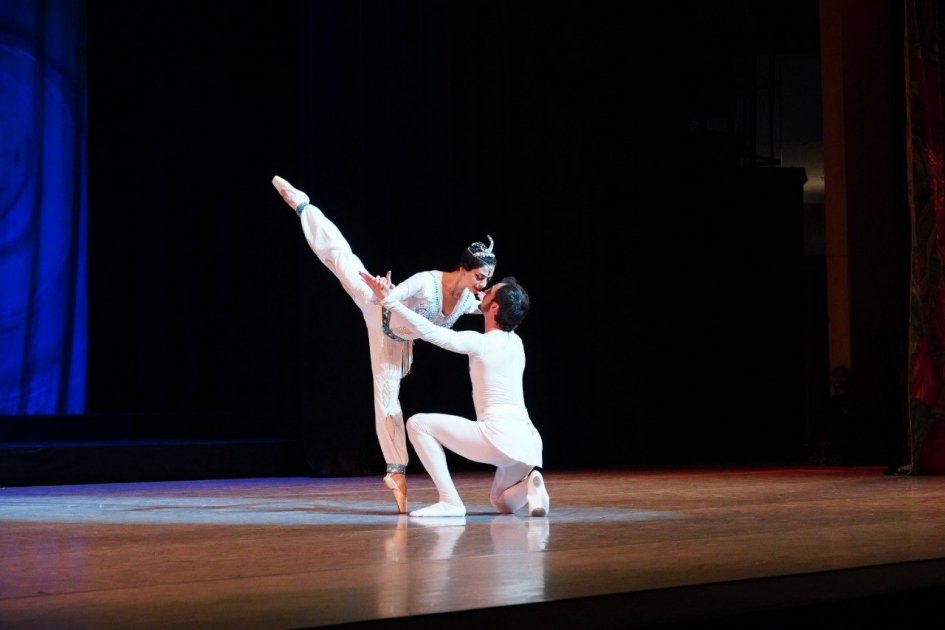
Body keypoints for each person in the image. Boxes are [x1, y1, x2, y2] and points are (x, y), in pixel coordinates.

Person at [271, 175, 496, 514]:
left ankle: (396, 474)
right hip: (380, 315)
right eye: (480, 276)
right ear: (463, 268)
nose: (482, 284)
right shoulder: (427, 282)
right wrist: (385, 290)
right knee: (342, 260)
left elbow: (492, 309)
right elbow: (391, 297)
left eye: (487, 279)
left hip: (398, 343)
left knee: (389, 402)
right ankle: (304, 206)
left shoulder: (466, 300)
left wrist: (500, 299)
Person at [361, 272, 549, 518]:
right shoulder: (516, 343)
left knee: (418, 424)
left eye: (490, 291)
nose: (484, 290)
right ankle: (531, 485)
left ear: (494, 307)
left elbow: (429, 332)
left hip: (500, 436)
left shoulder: (481, 343)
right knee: (501, 503)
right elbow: (500, 310)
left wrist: (390, 301)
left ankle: (450, 501)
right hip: (529, 443)